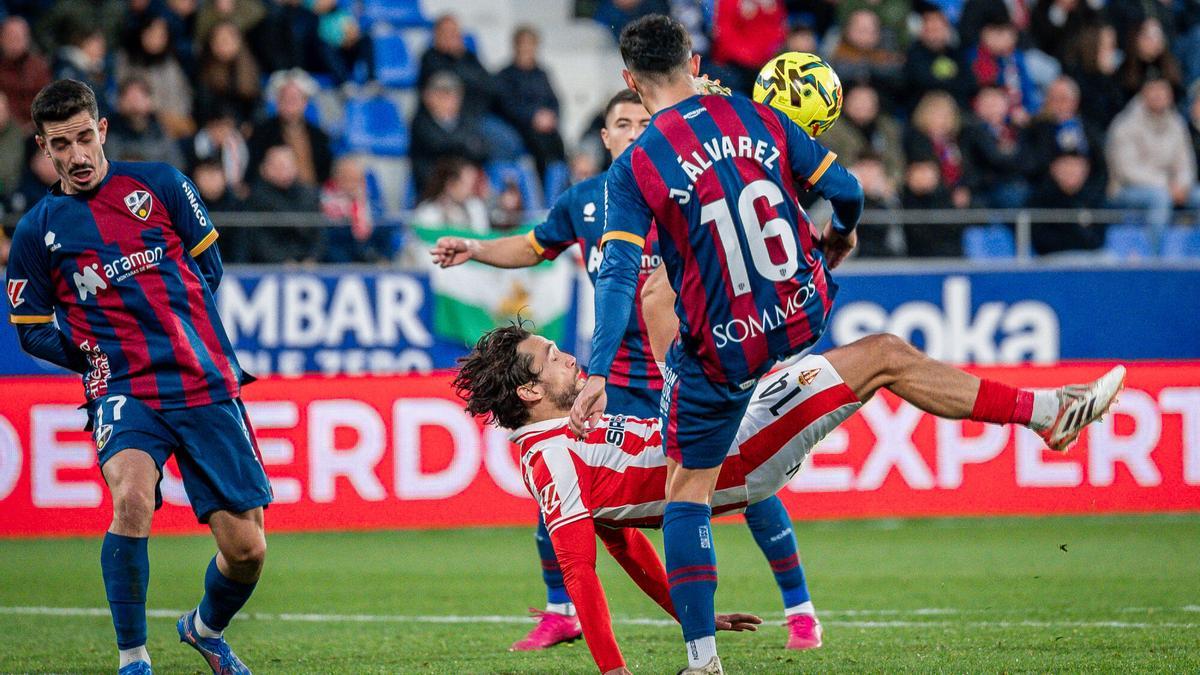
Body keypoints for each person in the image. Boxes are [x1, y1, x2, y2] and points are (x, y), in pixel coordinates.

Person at [453, 320, 1126, 674]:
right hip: (735, 449)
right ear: (529, 392)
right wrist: (615, 671)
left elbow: (624, 540)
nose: (570, 357)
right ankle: (1046, 414)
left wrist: (690, 611)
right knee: (884, 355)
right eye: (553, 357)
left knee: (885, 356)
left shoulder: (562, 438)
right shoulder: (546, 455)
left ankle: (1046, 414)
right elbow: (580, 568)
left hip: (726, 436)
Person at [432, 87, 829, 651]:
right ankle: (562, 610)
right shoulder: (587, 201)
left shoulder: (691, 187)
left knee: (741, 479)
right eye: (624, 122)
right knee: (571, 500)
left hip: (686, 362)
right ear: (606, 136)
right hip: (609, 381)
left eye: (647, 122)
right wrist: (474, 248)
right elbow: (533, 245)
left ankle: (800, 611)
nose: (637, 131)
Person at [569, 15, 864, 674]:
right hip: (793, 311)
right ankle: (802, 608)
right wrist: (838, 234)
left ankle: (704, 660)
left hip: (719, 344)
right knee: (877, 365)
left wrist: (595, 373)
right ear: (694, 59)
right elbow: (847, 191)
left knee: (690, 487)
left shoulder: (636, 167)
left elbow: (616, 279)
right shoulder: (748, 116)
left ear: (628, 81)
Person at [6, 79, 269, 675]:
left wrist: (175, 327)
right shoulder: (36, 231)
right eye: (58, 145)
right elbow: (30, 327)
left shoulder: (161, 184)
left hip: (201, 378)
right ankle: (133, 659)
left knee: (248, 550)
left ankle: (203, 630)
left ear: (101, 131)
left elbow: (210, 266)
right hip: (123, 389)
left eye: (81, 138)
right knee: (129, 497)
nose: (74, 155)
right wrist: (96, 356)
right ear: (44, 151)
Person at [1106, 78, 1200, 246]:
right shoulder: (1125, 124)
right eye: (1154, 91)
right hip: (1126, 190)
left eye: (1163, 91)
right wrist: (1167, 185)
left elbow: (1185, 164)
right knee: (1160, 198)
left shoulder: (1176, 123)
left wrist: (1182, 184)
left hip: (1172, 187)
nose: (1159, 96)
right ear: (1143, 94)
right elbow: (1127, 171)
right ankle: (1156, 261)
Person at [495, 26, 566, 181]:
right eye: (524, 44)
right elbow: (507, 105)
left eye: (531, 44)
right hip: (521, 127)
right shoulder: (505, 75)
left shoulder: (542, 73)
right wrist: (533, 117)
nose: (527, 49)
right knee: (539, 147)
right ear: (516, 46)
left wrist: (551, 117)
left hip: (545, 126)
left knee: (558, 146)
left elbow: (554, 101)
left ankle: (559, 187)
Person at [409, 72, 490, 194]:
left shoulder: (467, 120)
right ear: (428, 97)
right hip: (432, 188)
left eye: (453, 96)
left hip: (465, 187)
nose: (449, 101)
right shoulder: (420, 122)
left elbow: (482, 150)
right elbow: (438, 145)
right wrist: (465, 144)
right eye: (443, 95)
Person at [240, 144, 322, 263]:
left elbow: (320, 234)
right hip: (268, 264)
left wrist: (313, 258)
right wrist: (282, 260)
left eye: (287, 165)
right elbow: (258, 237)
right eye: (278, 166)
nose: (283, 170)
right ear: (264, 168)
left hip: (308, 262)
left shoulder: (309, 194)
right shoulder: (255, 198)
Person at [104, 77, 186, 169]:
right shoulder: (109, 135)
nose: (134, 102)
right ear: (120, 102)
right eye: (128, 96)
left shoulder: (161, 133)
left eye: (139, 96)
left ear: (150, 100)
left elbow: (176, 168)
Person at [0, 17, 53, 131]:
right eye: (10, 37)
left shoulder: (39, 67)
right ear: (1, 39)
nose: (14, 42)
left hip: (34, 131)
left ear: (27, 39)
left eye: (18, 37)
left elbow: (47, 105)